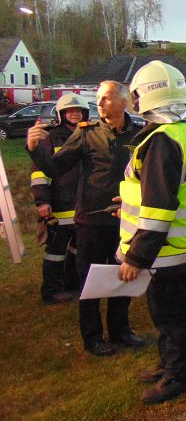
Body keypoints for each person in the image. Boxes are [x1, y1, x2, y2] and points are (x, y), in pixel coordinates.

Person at [27, 81, 145, 357]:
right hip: (91, 221)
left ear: (123, 102)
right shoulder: (87, 134)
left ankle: (120, 330)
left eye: (105, 98)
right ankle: (93, 338)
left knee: (124, 275)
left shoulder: (139, 135)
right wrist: (36, 149)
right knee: (90, 280)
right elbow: (56, 166)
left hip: (125, 220)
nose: (99, 104)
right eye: (99, 99)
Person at [117, 61, 186, 405]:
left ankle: (179, 377)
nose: (133, 101)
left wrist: (136, 256)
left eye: (136, 94)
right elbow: (166, 190)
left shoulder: (161, 140)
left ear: (149, 96)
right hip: (180, 245)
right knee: (169, 314)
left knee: (172, 317)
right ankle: (168, 364)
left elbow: (160, 208)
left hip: (164, 250)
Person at [30, 93, 88, 304]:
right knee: (55, 251)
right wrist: (42, 201)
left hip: (81, 206)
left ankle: (71, 285)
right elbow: (39, 172)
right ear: (62, 114)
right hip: (59, 206)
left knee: (77, 248)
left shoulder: (88, 135)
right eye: (70, 111)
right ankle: (51, 292)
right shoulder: (51, 138)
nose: (75, 114)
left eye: (78, 111)